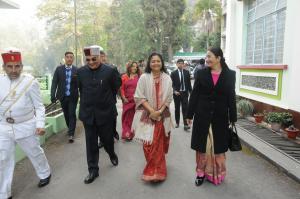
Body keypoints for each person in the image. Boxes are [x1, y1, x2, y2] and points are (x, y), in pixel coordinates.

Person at [0, 48, 51, 199]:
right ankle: (4, 192)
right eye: (10, 66)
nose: (14, 70)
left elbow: (39, 106)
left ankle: (44, 173)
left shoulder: (30, 82)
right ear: (4, 67)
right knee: (3, 159)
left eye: (17, 66)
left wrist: (40, 124)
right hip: (4, 127)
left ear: (22, 66)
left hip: (26, 125)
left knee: (34, 152)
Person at [186, 47, 237, 186]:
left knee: (218, 149)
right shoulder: (201, 74)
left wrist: (233, 117)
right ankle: (200, 173)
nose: (207, 59)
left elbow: (231, 96)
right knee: (203, 148)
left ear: (218, 58)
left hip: (220, 118)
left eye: (209, 56)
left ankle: (217, 173)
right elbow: (195, 94)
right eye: (206, 57)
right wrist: (189, 114)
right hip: (202, 116)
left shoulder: (230, 75)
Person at [77, 46, 121, 184]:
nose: (91, 62)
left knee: (107, 140)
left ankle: (111, 153)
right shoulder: (81, 72)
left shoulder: (110, 71)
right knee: (91, 143)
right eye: (88, 60)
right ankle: (93, 170)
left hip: (105, 113)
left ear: (100, 57)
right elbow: (81, 89)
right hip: (88, 114)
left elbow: (115, 87)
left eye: (94, 59)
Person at [132, 52, 173, 182]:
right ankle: (152, 167)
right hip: (147, 115)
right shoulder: (144, 77)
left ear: (162, 63)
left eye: (158, 61)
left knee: (158, 143)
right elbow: (139, 96)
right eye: (153, 61)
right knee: (148, 144)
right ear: (149, 64)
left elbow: (169, 97)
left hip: (162, 115)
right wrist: (152, 111)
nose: (156, 63)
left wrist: (159, 111)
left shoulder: (167, 78)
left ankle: (158, 172)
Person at [51, 52, 79, 143]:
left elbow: (81, 84)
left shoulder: (77, 70)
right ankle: (69, 128)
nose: (69, 59)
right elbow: (54, 82)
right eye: (67, 57)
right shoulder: (58, 69)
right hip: (62, 96)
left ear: (73, 59)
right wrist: (53, 95)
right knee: (66, 114)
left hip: (73, 97)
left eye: (71, 57)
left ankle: (71, 133)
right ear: (65, 58)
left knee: (71, 114)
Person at [99, 50, 120, 141]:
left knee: (112, 117)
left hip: (110, 98)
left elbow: (117, 83)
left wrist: (112, 93)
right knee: (99, 121)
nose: (102, 58)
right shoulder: (92, 69)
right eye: (100, 56)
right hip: (97, 100)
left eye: (103, 56)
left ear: (105, 57)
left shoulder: (112, 68)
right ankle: (102, 140)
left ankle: (113, 132)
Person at [120, 61, 140, 141]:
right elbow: (121, 88)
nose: (134, 68)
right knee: (126, 117)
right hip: (127, 100)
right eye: (133, 66)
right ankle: (126, 134)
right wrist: (123, 97)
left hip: (136, 100)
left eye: (136, 66)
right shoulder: (124, 77)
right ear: (129, 67)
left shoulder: (139, 77)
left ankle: (131, 134)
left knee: (134, 118)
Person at [170, 59, 192, 131]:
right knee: (177, 109)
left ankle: (185, 124)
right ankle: (177, 122)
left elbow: (189, 83)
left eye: (182, 63)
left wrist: (191, 92)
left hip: (185, 93)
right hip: (177, 94)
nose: (180, 65)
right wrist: (174, 91)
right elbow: (171, 84)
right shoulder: (173, 73)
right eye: (179, 63)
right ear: (176, 64)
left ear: (183, 64)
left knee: (185, 109)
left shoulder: (187, 72)